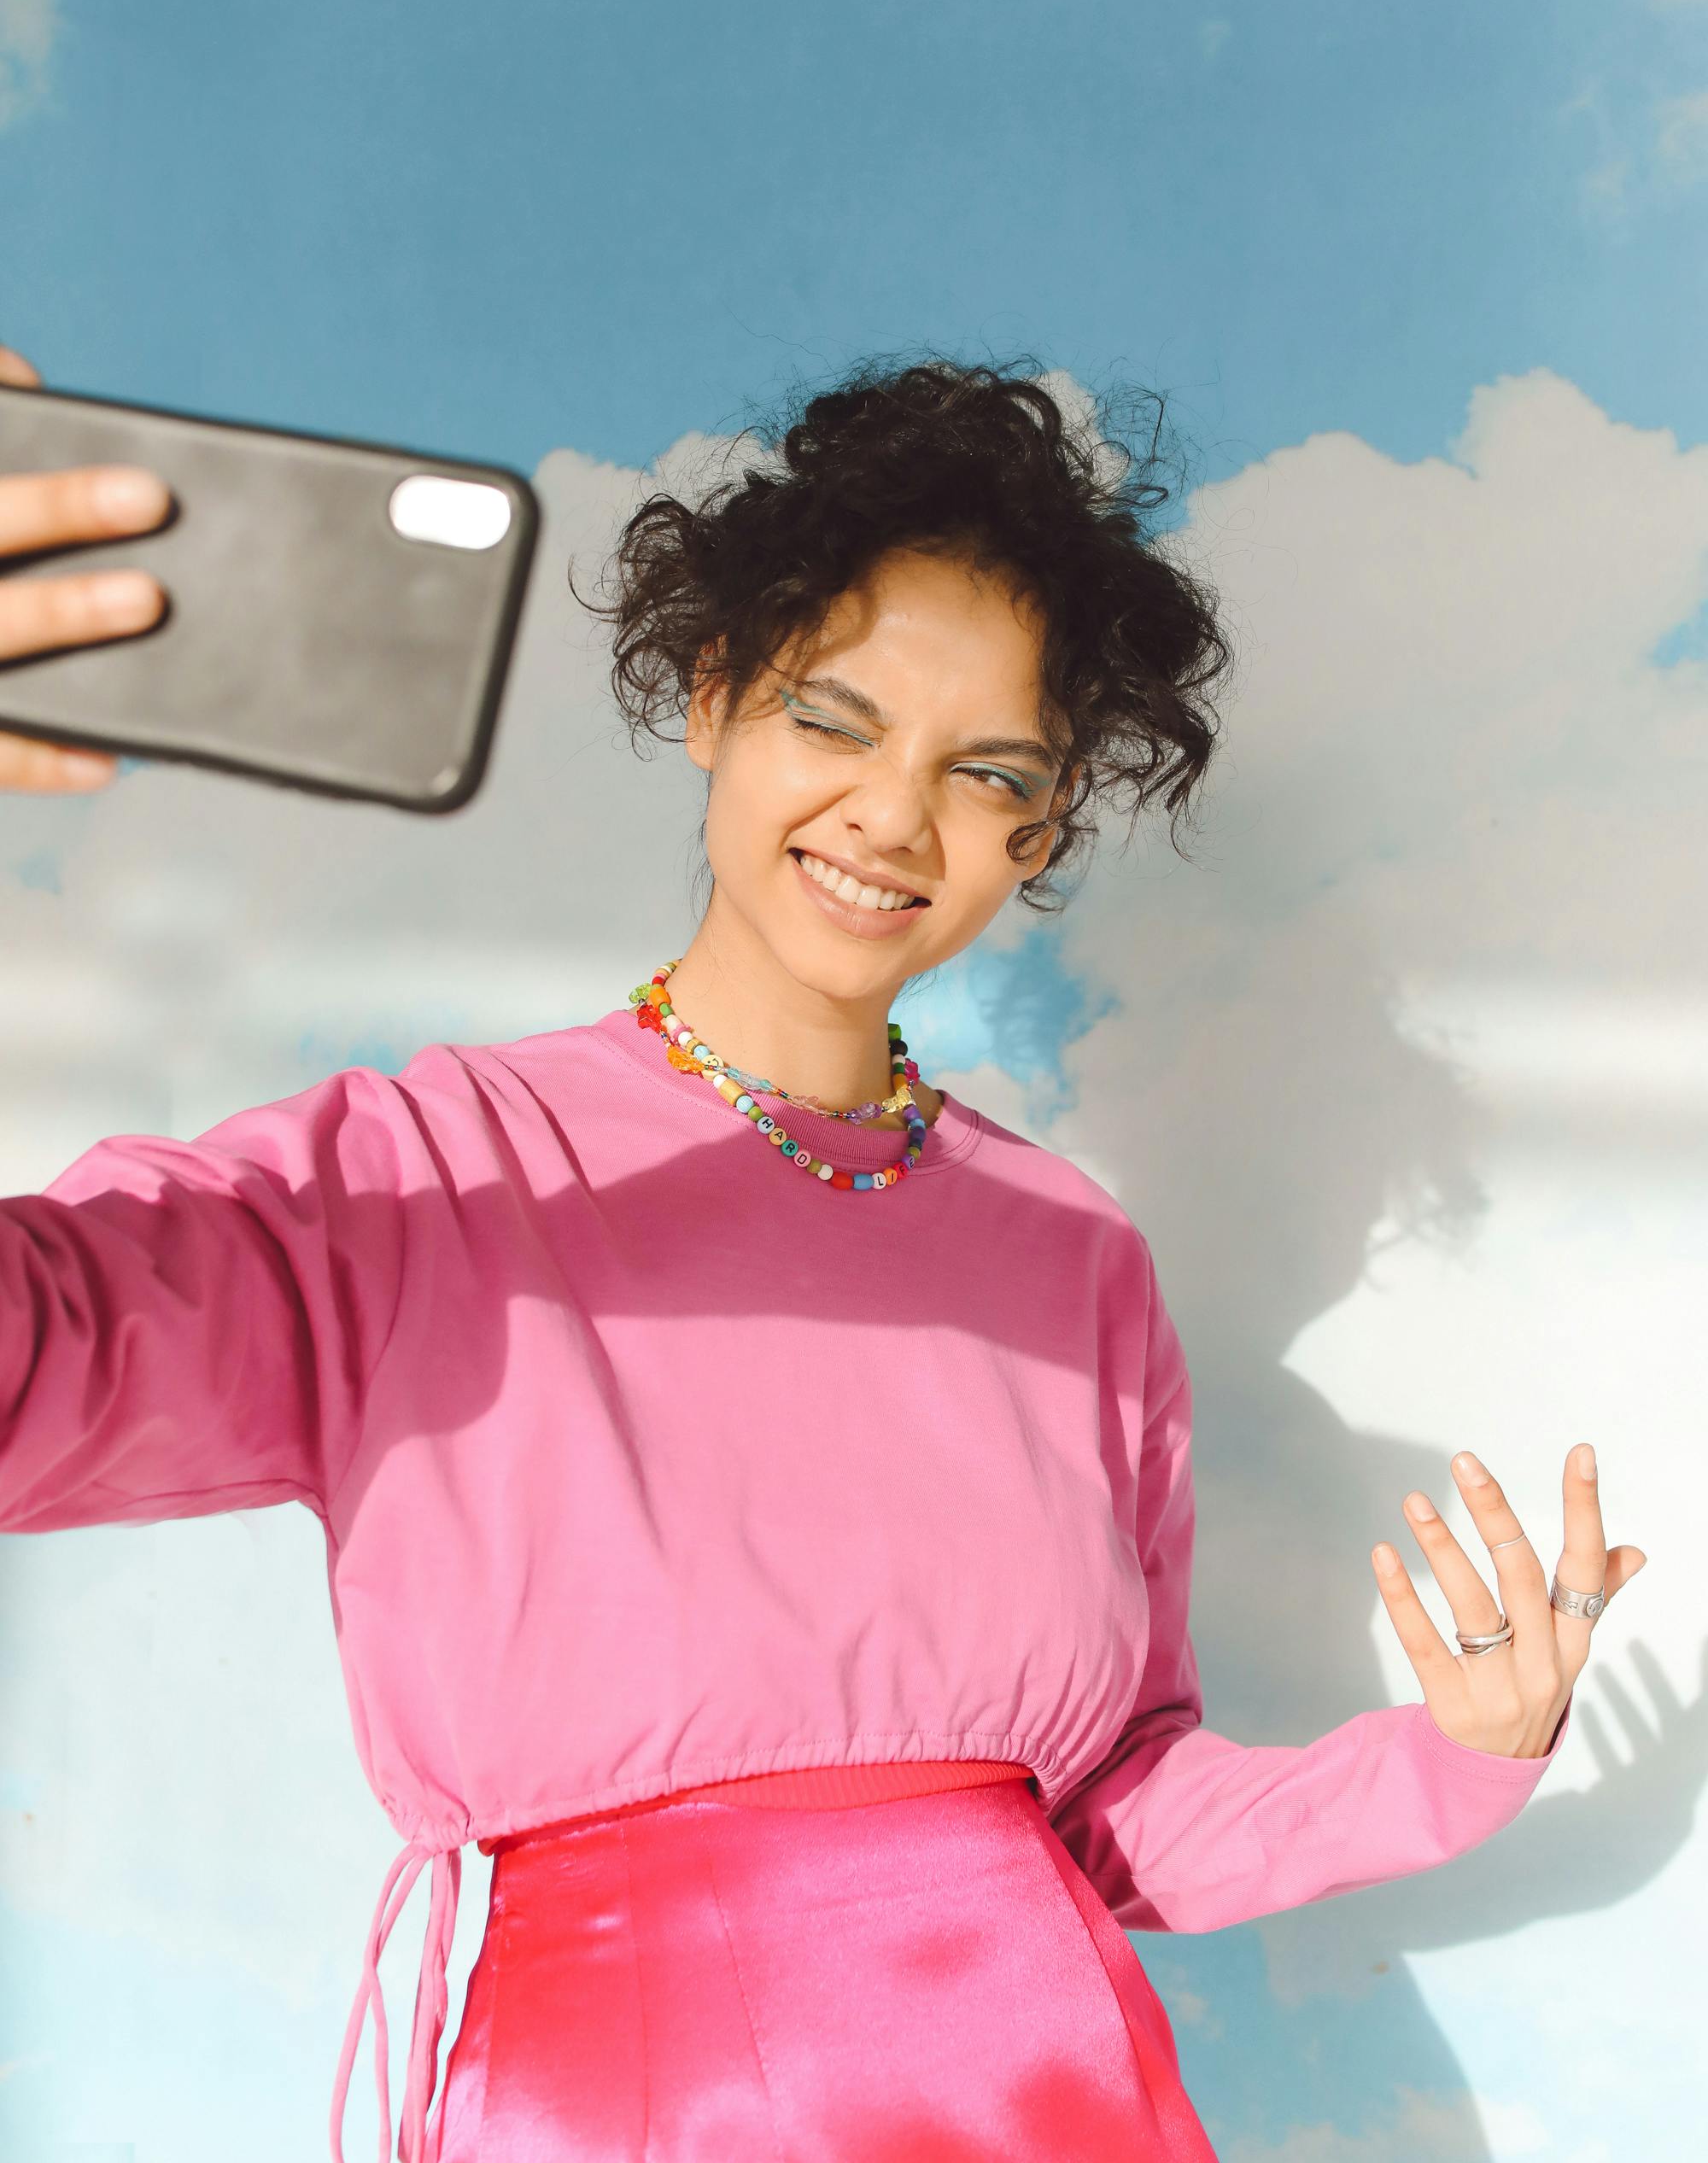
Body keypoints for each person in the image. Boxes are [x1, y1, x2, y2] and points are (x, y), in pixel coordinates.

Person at [0, 339, 1644, 2163]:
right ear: (711, 696)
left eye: (983, 772)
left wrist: (1450, 1758)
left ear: (1039, 827)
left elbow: (1113, 1820)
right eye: (832, 719)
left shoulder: (1075, 1255)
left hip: (1065, 2108)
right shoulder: (419, 1178)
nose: (887, 817)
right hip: (624, 2107)